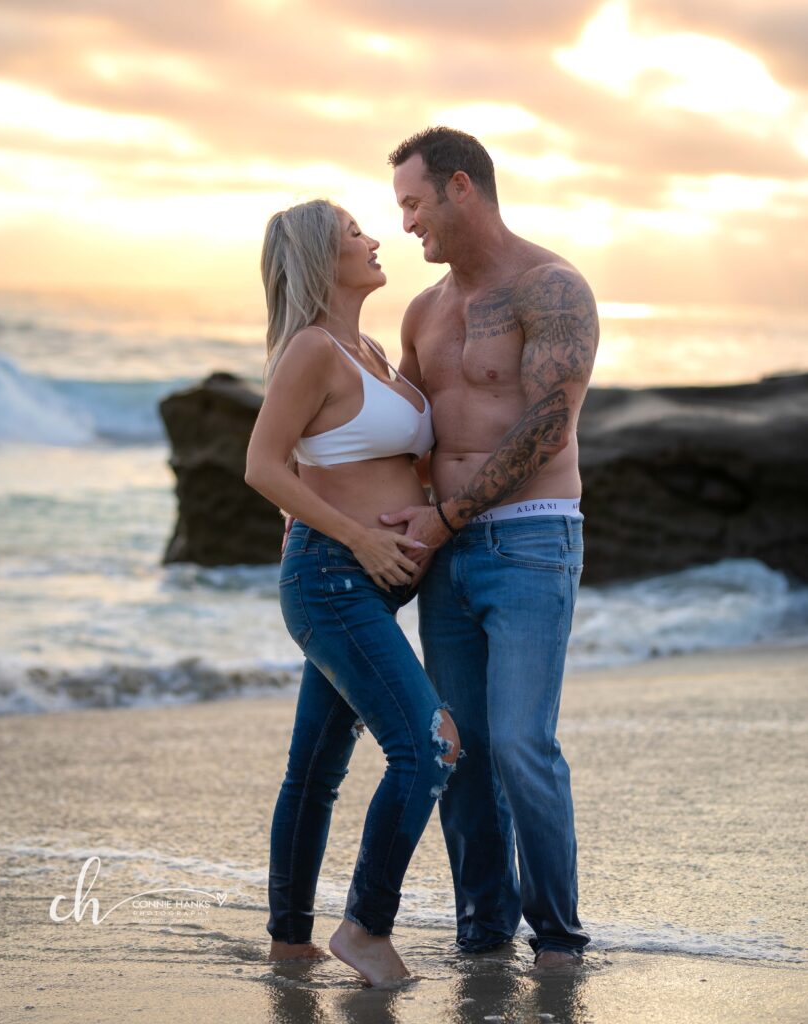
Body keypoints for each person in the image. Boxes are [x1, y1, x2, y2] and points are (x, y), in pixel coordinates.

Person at [380, 127, 599, 965]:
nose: (405, 223)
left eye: (414, 203)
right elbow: (402, 435)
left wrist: (448, 515)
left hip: (531, 539)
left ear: (461, 187)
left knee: (518, 743)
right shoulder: (423, 311)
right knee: (459, 750)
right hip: (447, 551)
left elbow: (548, 424)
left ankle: (557, 935)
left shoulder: (551, 287)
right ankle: (482, 929)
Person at [244, 198, 462, 987]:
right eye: (353, 234)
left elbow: (363, 461)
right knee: (429, 748)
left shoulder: (367, 347)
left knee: (314, 770)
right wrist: (360, 537)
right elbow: (262, 465)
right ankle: (366, 928)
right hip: (333, 579)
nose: (374, 240)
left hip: (365, 590)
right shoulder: (311, 349)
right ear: (319, 259)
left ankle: (289, 940)